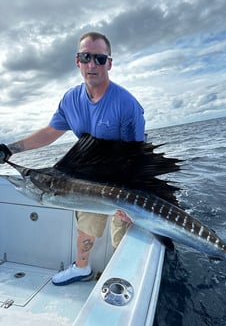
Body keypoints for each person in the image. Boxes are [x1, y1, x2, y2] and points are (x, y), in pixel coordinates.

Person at [0, 31, 145, 285]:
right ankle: (82, 268)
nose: (92, 64)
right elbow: (50, 132)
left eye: (99, 59)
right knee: (85, 223)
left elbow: (136, 155)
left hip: (123, 180)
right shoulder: (70, 99)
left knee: (122, 233)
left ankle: (125, 275)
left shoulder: (126, 104)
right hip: (90, 178)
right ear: (77, 61)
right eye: (85, 57)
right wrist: (11, 149)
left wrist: (128, 199)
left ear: (109, 63)